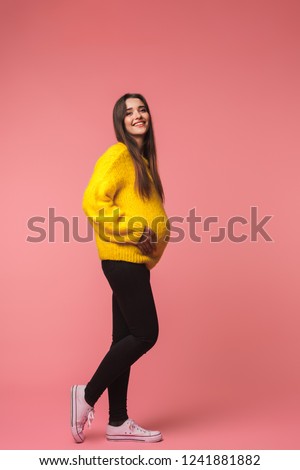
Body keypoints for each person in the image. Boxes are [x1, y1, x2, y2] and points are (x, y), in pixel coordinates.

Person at [71, 93, 170, 443]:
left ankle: (117, 421)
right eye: (129, 112)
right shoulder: (119, 155)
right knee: (145, 334)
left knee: (122, 340)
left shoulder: (142, 162)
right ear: (120, 122)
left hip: (135, 262)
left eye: (142, 109)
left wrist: (152, 245)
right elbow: (93, 201)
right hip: (122, 259)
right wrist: (133, 230)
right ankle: (86, 394)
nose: (138, 115)